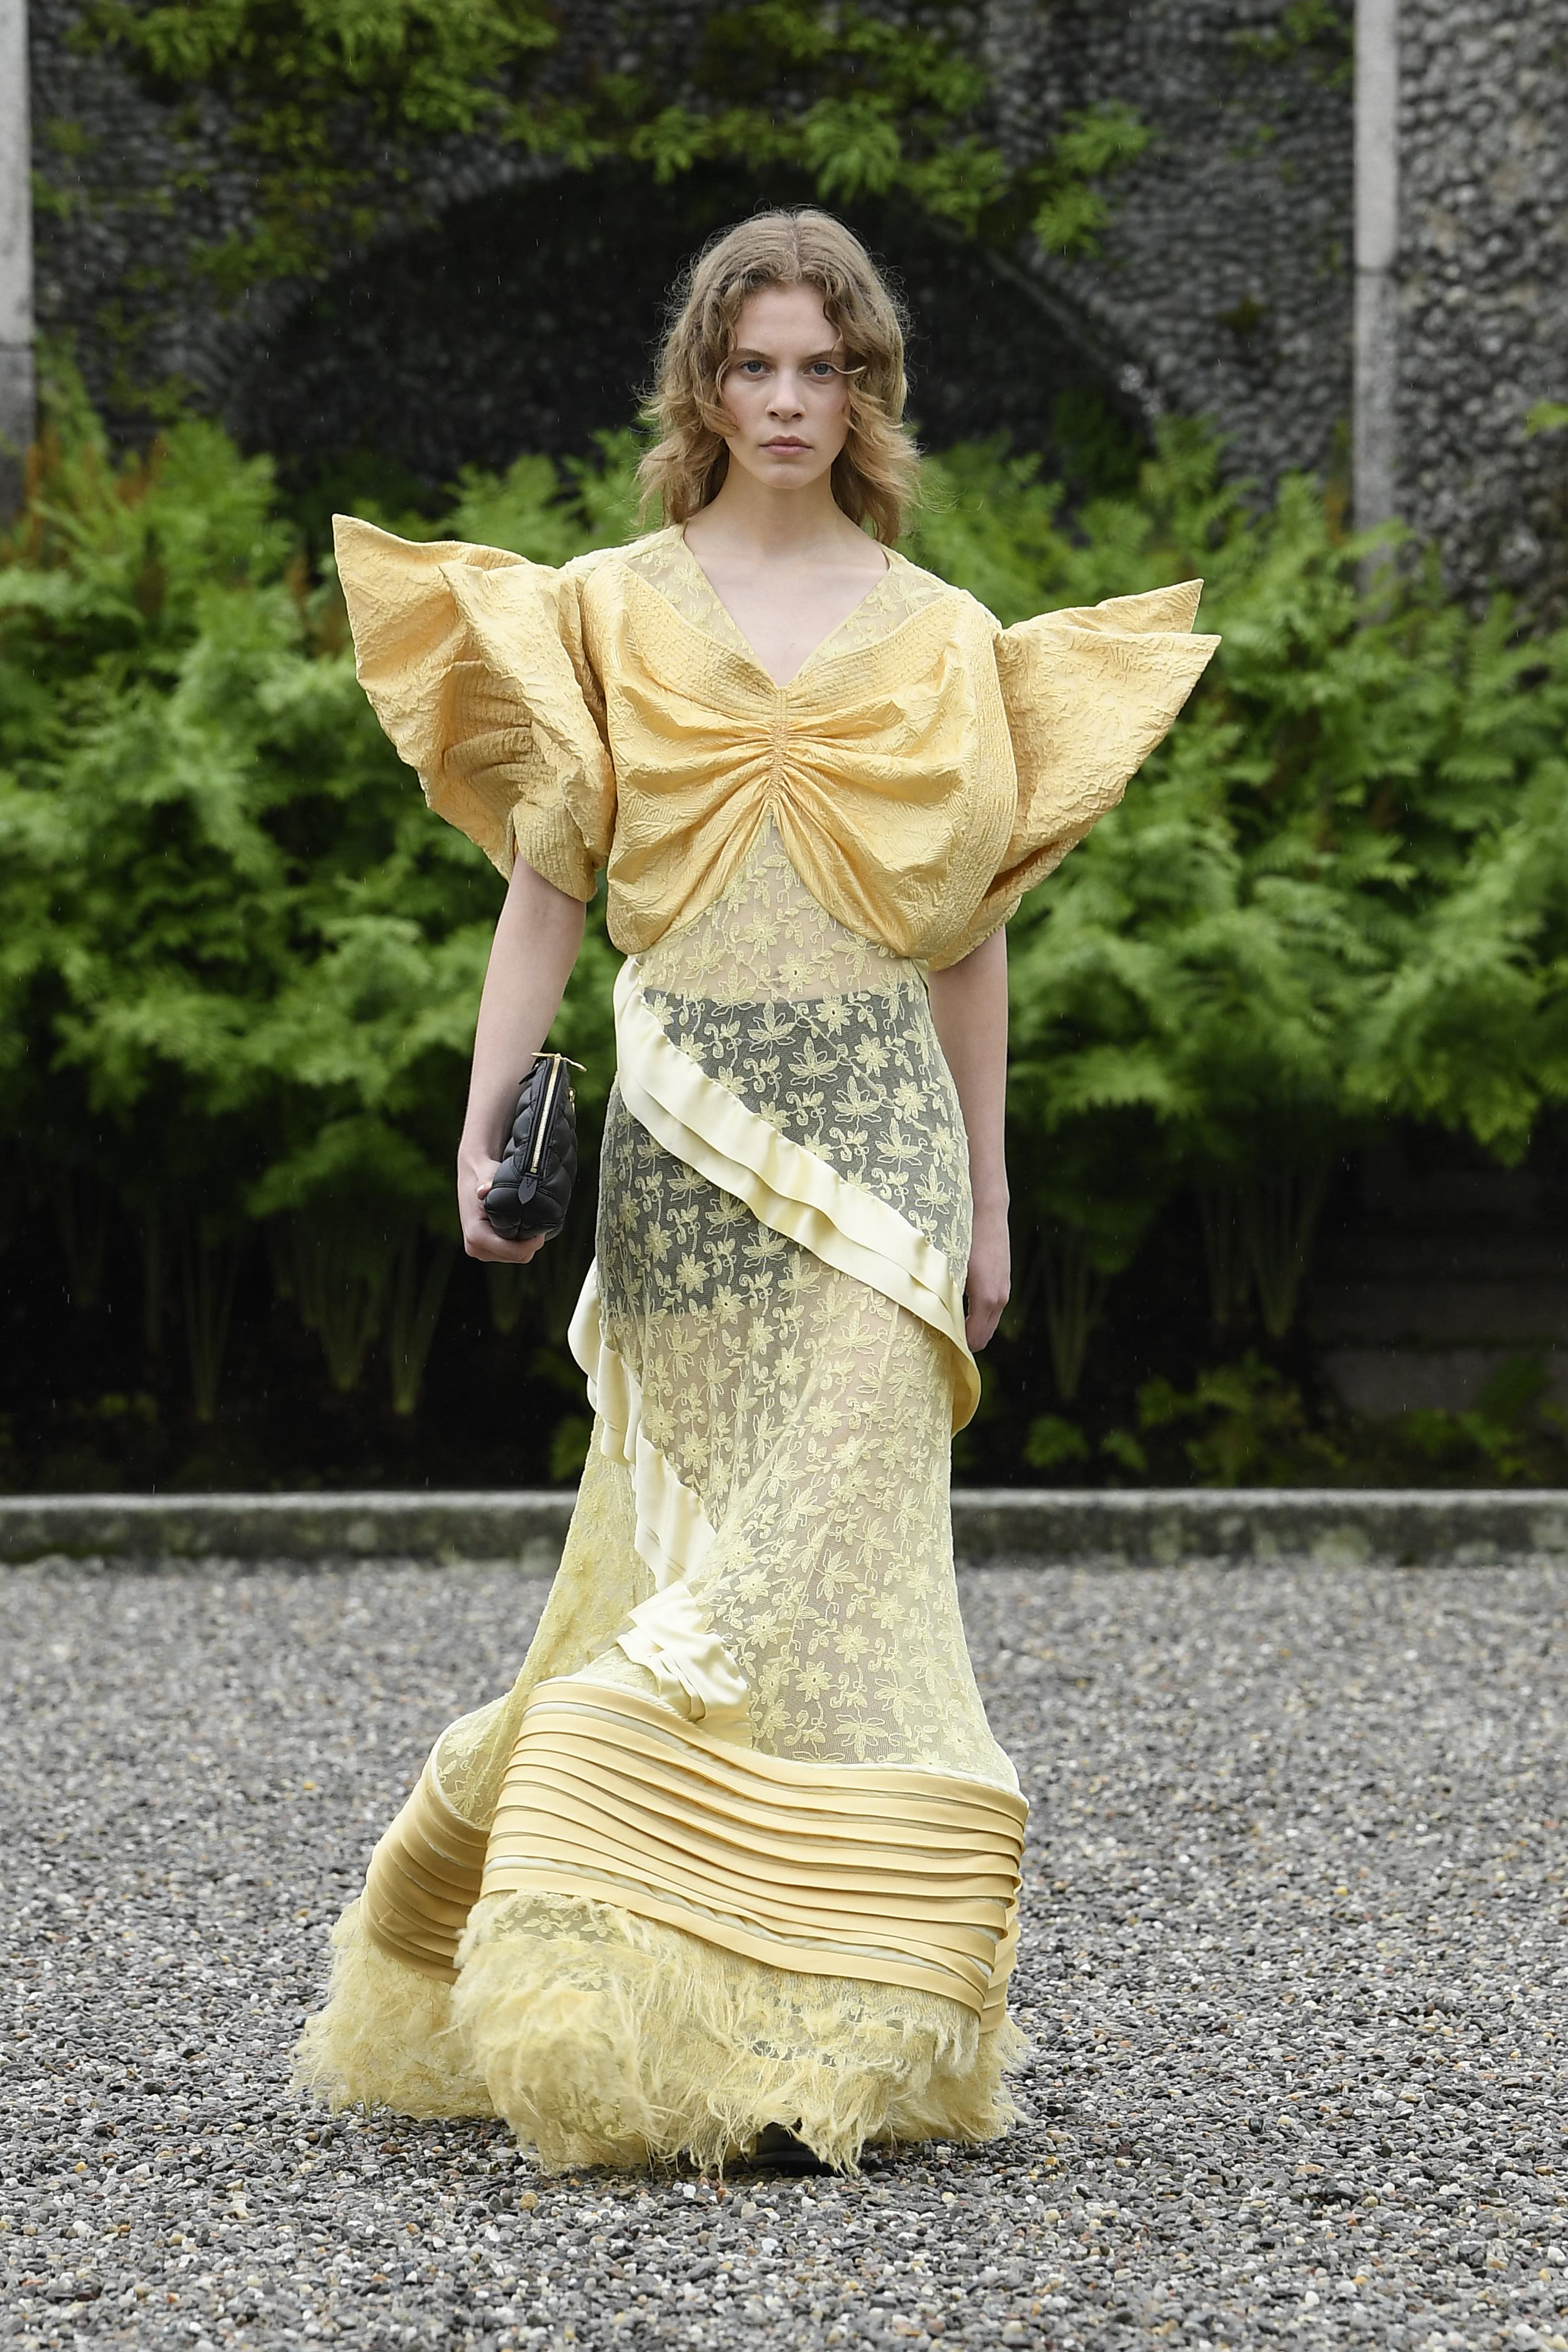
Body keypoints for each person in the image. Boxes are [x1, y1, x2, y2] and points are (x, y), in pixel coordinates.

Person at [296, 209, 1217, 2174]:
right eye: (754, 366)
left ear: (868, 390)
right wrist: (483, 1125)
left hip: (880, 1154)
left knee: (835, 1565)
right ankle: (632, 1992)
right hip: (681, 1152)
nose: (787, 401)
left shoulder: (948, 632)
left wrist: (987, 1198)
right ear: (701, 385)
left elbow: (967, 942)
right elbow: (547, 886)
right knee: (691, 1564)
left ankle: (824, 2019)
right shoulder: (604, 609)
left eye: (825, 369)